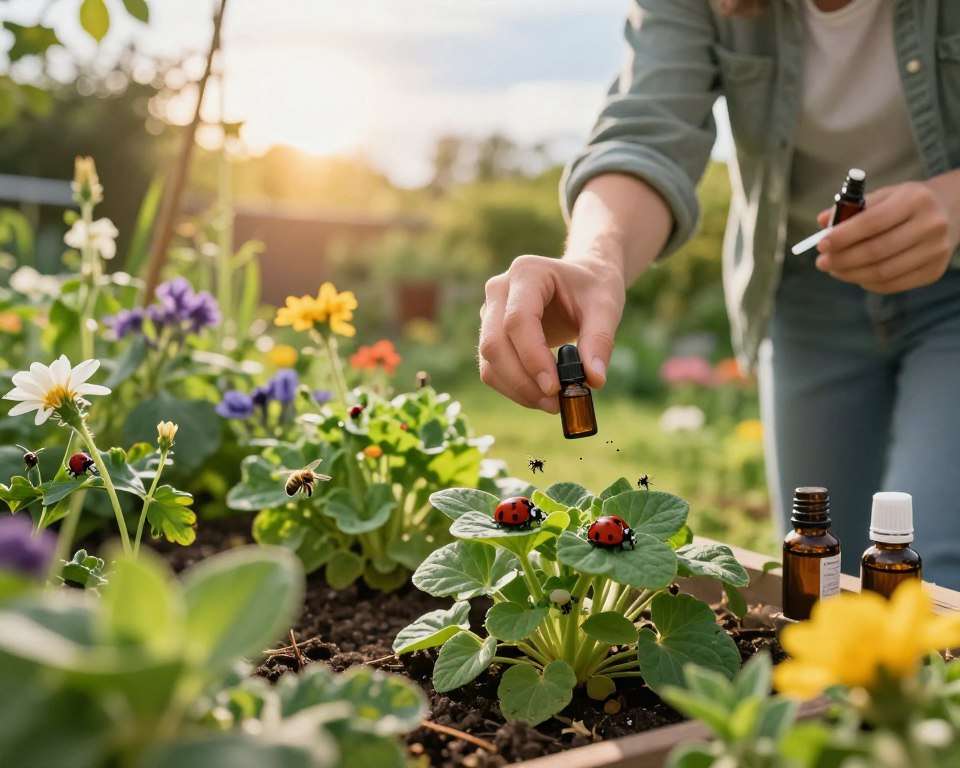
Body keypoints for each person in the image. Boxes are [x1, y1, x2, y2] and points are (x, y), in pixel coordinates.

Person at [477, 0, 960, 588]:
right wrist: (595, 260)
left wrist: (953, 203)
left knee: (935, 569)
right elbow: (648, 134)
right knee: (818, 572)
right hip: (806, 291)